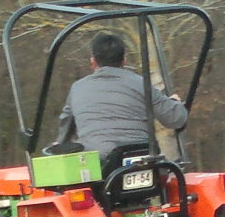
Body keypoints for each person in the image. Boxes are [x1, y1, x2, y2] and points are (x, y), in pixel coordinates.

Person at [54, 33, 188, 160]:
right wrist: (174, 103)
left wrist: (59, 143)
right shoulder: (141, 83)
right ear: (124, 60)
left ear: (93, 61)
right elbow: (175, 119)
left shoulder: (77, 88)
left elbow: (65, 131)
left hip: (98, 165)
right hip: (140, 161)